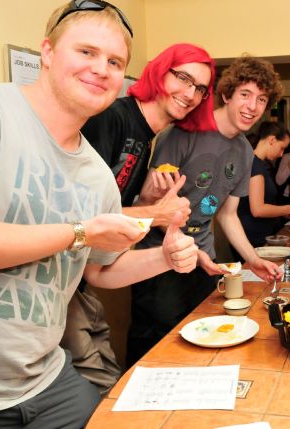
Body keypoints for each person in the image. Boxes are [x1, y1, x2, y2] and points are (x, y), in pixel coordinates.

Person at [0, 0, 197, 428]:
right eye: (86, 52)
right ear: (46, 52)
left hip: (44, 382)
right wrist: (80, 231)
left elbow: (99, 271)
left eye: (115, 62)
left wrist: (164, 257)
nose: (102, 69)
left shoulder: (98, 176)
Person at [60, 43, 215, 394]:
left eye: (200, 88)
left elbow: (108, 209)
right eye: (183, 78)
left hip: (86, 281)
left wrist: (144, 202)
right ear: (160, 72)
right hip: (60, 286)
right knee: (101, 395)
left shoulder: (147, 139)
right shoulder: (112, 118)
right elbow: (78, 217)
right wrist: (155, 214)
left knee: (113, 386)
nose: (190, 94)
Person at [127, 55, 284, 366]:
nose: (252, 106)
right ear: (226, 94)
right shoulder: (182, 133)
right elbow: (154, 207)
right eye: (245, 95)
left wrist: (252, 259)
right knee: (157, 343)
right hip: (159, 257)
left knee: (203, 334)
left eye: (262, 99)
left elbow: (227, 215)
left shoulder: (243, 151)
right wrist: (187, 248)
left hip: (204, 259)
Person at [233, 121, 290, 259]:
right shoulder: (255, 165)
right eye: (282, 148)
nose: (281, 154)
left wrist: (278, 212)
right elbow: (258, 209)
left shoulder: (257, 163)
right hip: (253, 239)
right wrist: (289, 208)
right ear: (272, 140)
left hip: (258, 236)